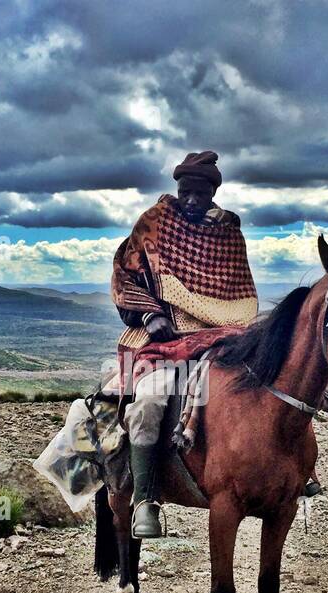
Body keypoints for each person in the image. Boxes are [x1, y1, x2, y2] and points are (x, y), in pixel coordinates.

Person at [109, 151, 259, 537]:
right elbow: (125, 279)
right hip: (161, 339)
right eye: (185, 192)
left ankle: (295, 472)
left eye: (200, 194)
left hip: (220, 334)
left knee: (262, 384)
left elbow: (238, 291)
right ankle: (144, 499)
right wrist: (148, 315)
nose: (191, 200)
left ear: (212, 193)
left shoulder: (228, 232)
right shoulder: (153, 224)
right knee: (150, 400)